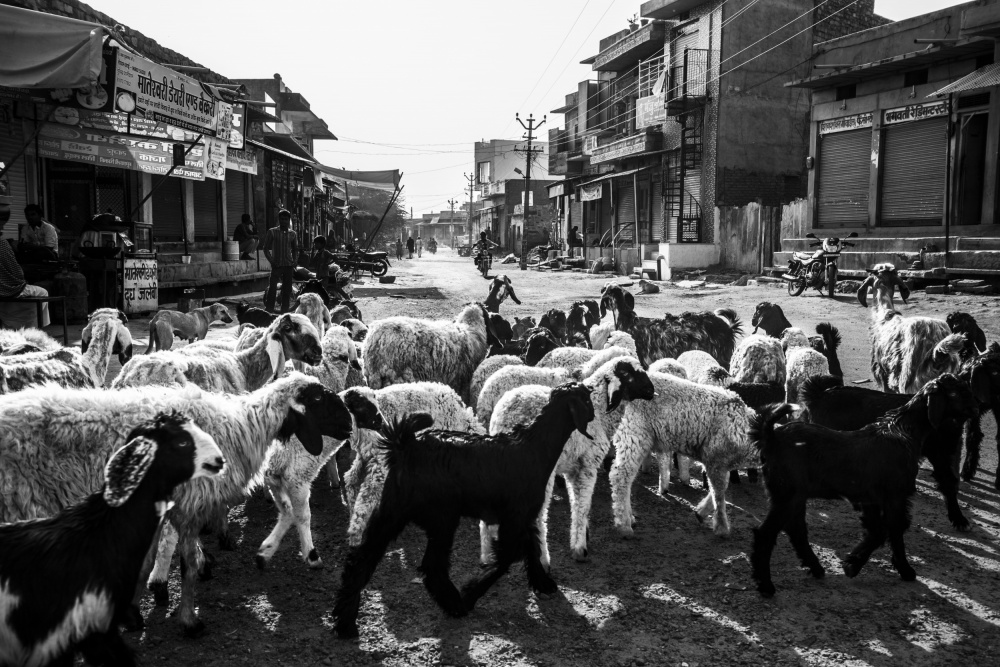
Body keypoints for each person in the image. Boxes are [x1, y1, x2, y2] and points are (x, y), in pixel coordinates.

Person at [0, 236, 50, 328]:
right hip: (10, 291)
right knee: (43, 292)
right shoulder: (2, 244)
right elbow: (18, 274)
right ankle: (35, 328)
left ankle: (11, 323)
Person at [261, 209, 299, 312]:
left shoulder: (293, 234)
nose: (284, 221)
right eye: (282, 219)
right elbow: (265, 248)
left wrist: (295, 261)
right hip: (276, 266)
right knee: (272, 290)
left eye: (286, 219)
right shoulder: (272, 232)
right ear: (279, 220)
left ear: (289, 220)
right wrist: (272, 261)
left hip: (288, 266)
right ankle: (269, 311)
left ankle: (284, 312)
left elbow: (295, 249)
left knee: (286, 291)